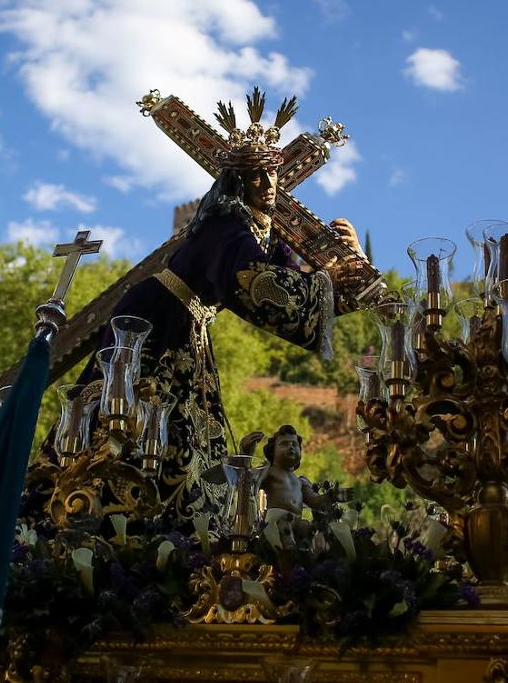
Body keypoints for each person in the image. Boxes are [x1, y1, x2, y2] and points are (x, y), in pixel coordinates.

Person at [47, 89, 365, 522]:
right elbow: (258, 285)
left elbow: (299, 287)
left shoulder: (260, 235)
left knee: (183, 429)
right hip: (156, 318)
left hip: (188, 325)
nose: (268, 185)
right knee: (134, 414)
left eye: (272, 174)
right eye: (256, 176)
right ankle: (102, 505)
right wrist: (329, 276)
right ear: (237, 182)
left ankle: (169, 518)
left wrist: (348, 262)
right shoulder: (225, 224)